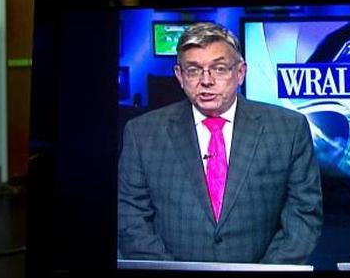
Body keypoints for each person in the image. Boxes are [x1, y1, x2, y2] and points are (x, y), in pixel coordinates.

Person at [118, 22, 322, 265]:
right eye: (193, 70)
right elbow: (130, 217)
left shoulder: (288, 129)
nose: (207, 80)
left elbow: (303, 214)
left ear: (240, 72)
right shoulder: (142, 133)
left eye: (220, 68)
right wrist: (172, 275)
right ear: (179, 76)